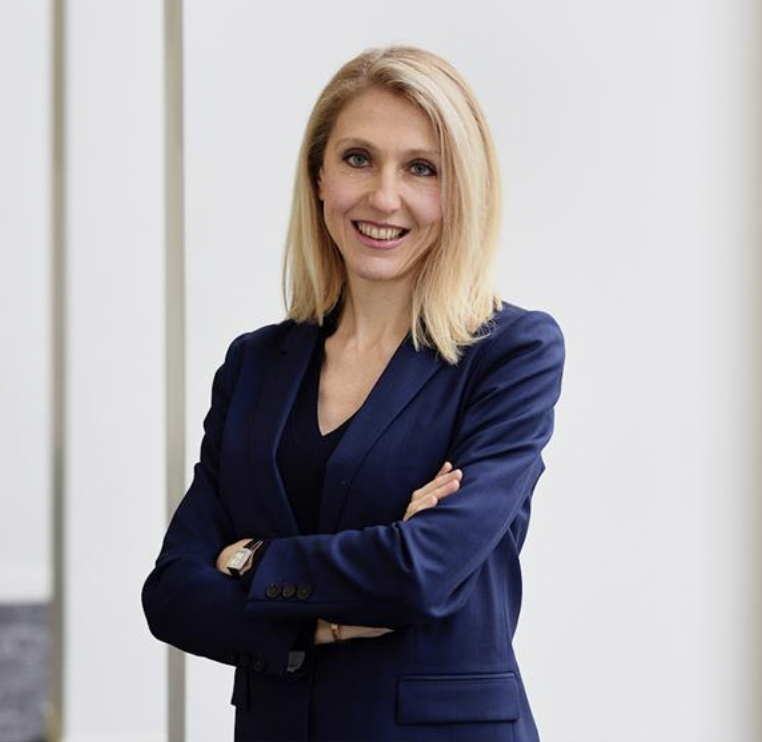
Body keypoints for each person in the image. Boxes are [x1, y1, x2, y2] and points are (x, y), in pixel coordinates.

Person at [142, 45, 564, 742]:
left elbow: (423, 571)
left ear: (461, 191)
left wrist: (251, 560)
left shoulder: (511, 355)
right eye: (358, 159)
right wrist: (324, 622)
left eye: (421, 168)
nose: (384, 197)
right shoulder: (253, 365)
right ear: (319, 177)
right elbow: (173, 593)